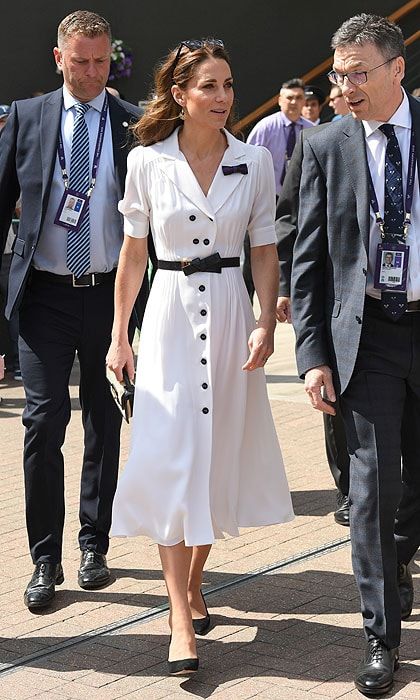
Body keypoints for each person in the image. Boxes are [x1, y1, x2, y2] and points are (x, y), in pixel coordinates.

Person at [106, 38, 294, 676]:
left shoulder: (254, 163)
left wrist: (266, 320)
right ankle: (179, 616)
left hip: (232, 313)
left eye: (229, 85)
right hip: (168, 317)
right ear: (179, 95)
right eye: (209, 86)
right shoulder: (147, 163)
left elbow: (265, 250)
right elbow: (133, 256)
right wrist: (118, 335)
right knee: (173, 456)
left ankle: (192, 581)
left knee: (216, 459)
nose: (223, 97)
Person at [0, 10, 151, 611]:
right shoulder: (27, 118)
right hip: (44, 297)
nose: (91, 72)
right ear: (58, 58)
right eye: (80, 60)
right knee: (42, 424)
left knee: (104, 422)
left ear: (112, 57)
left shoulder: (131, 124)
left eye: (101, 60)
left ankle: (95, 544)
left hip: (112, 295)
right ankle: (44, 557)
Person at [291, 13, 419, 696]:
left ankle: (397, 563)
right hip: (364, 335)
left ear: (399, 68)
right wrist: (312, 353)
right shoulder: (324, 145)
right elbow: (307, 261)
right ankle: (380, 636)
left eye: (359, 72)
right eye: (339, 73)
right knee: (370, 489)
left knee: (412, 491)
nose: (346, 85)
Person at [276, 126, 350, 527]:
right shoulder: (318, 144)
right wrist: (285, 286)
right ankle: (349, 490)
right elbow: (290, 220)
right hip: (336, 297)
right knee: (335, 397)